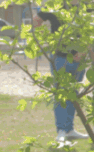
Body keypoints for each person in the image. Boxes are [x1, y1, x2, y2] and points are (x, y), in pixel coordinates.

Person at [33, 9, 88, 144]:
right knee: (60, 93)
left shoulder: (86, 6)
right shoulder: (56, 7)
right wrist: (45, 39)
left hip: (79, 59)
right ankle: (61, 130)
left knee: (73, 93)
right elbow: (36, 21)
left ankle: (70, 130)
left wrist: (84, 51)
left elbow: (91, 32)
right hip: (60, 58)